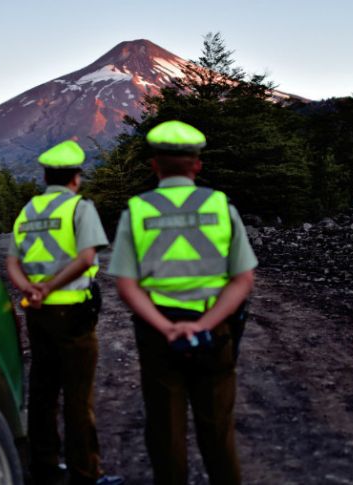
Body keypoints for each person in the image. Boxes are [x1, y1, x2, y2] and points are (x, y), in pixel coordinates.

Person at [106, 120, 257, 485]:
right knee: (218, 431)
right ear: (197, 164)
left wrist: (166, 327)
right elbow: (243, 280)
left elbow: (126, 284)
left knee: (165, 432)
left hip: (159, 334)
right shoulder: (221, 208)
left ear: (154, 165)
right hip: (214, 329)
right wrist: (204, 325)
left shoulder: (138, 211)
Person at [6, 140, 123, 485]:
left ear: (45, 176)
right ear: (76, 177)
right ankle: (85, 473)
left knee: (42, 390)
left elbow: (12, 262)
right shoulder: (79, 208)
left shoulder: (28, 210)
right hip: (72, 313)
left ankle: (43, 466)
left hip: (38, 314)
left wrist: (31, 289)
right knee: (77, 395)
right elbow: (86, 258)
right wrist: (51, 287)